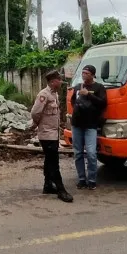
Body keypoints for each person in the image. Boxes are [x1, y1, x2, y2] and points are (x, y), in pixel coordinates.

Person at [30, 70, 73, 203]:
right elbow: (35, 112)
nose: (61, 82)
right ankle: (61, 190)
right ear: (53, 81)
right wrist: (36, 124)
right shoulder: (44, 94)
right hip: (46, 134)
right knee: (54, 162)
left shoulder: (54, 94)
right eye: (59, 80)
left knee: (49, 160)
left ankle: (48, 185)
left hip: (53, 133)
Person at [70, 64, 107, 190]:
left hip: (91, 125)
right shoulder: (77, 87)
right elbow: (73, 101)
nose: (84, 75)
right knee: (78, 153)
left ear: (92, 75)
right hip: (77, 125)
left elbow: (103, 103)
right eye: (83, 73)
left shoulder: (99, 87)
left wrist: (88, 95)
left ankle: (91, 180)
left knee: (91, 153)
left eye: (86, 73)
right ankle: (81, 179)